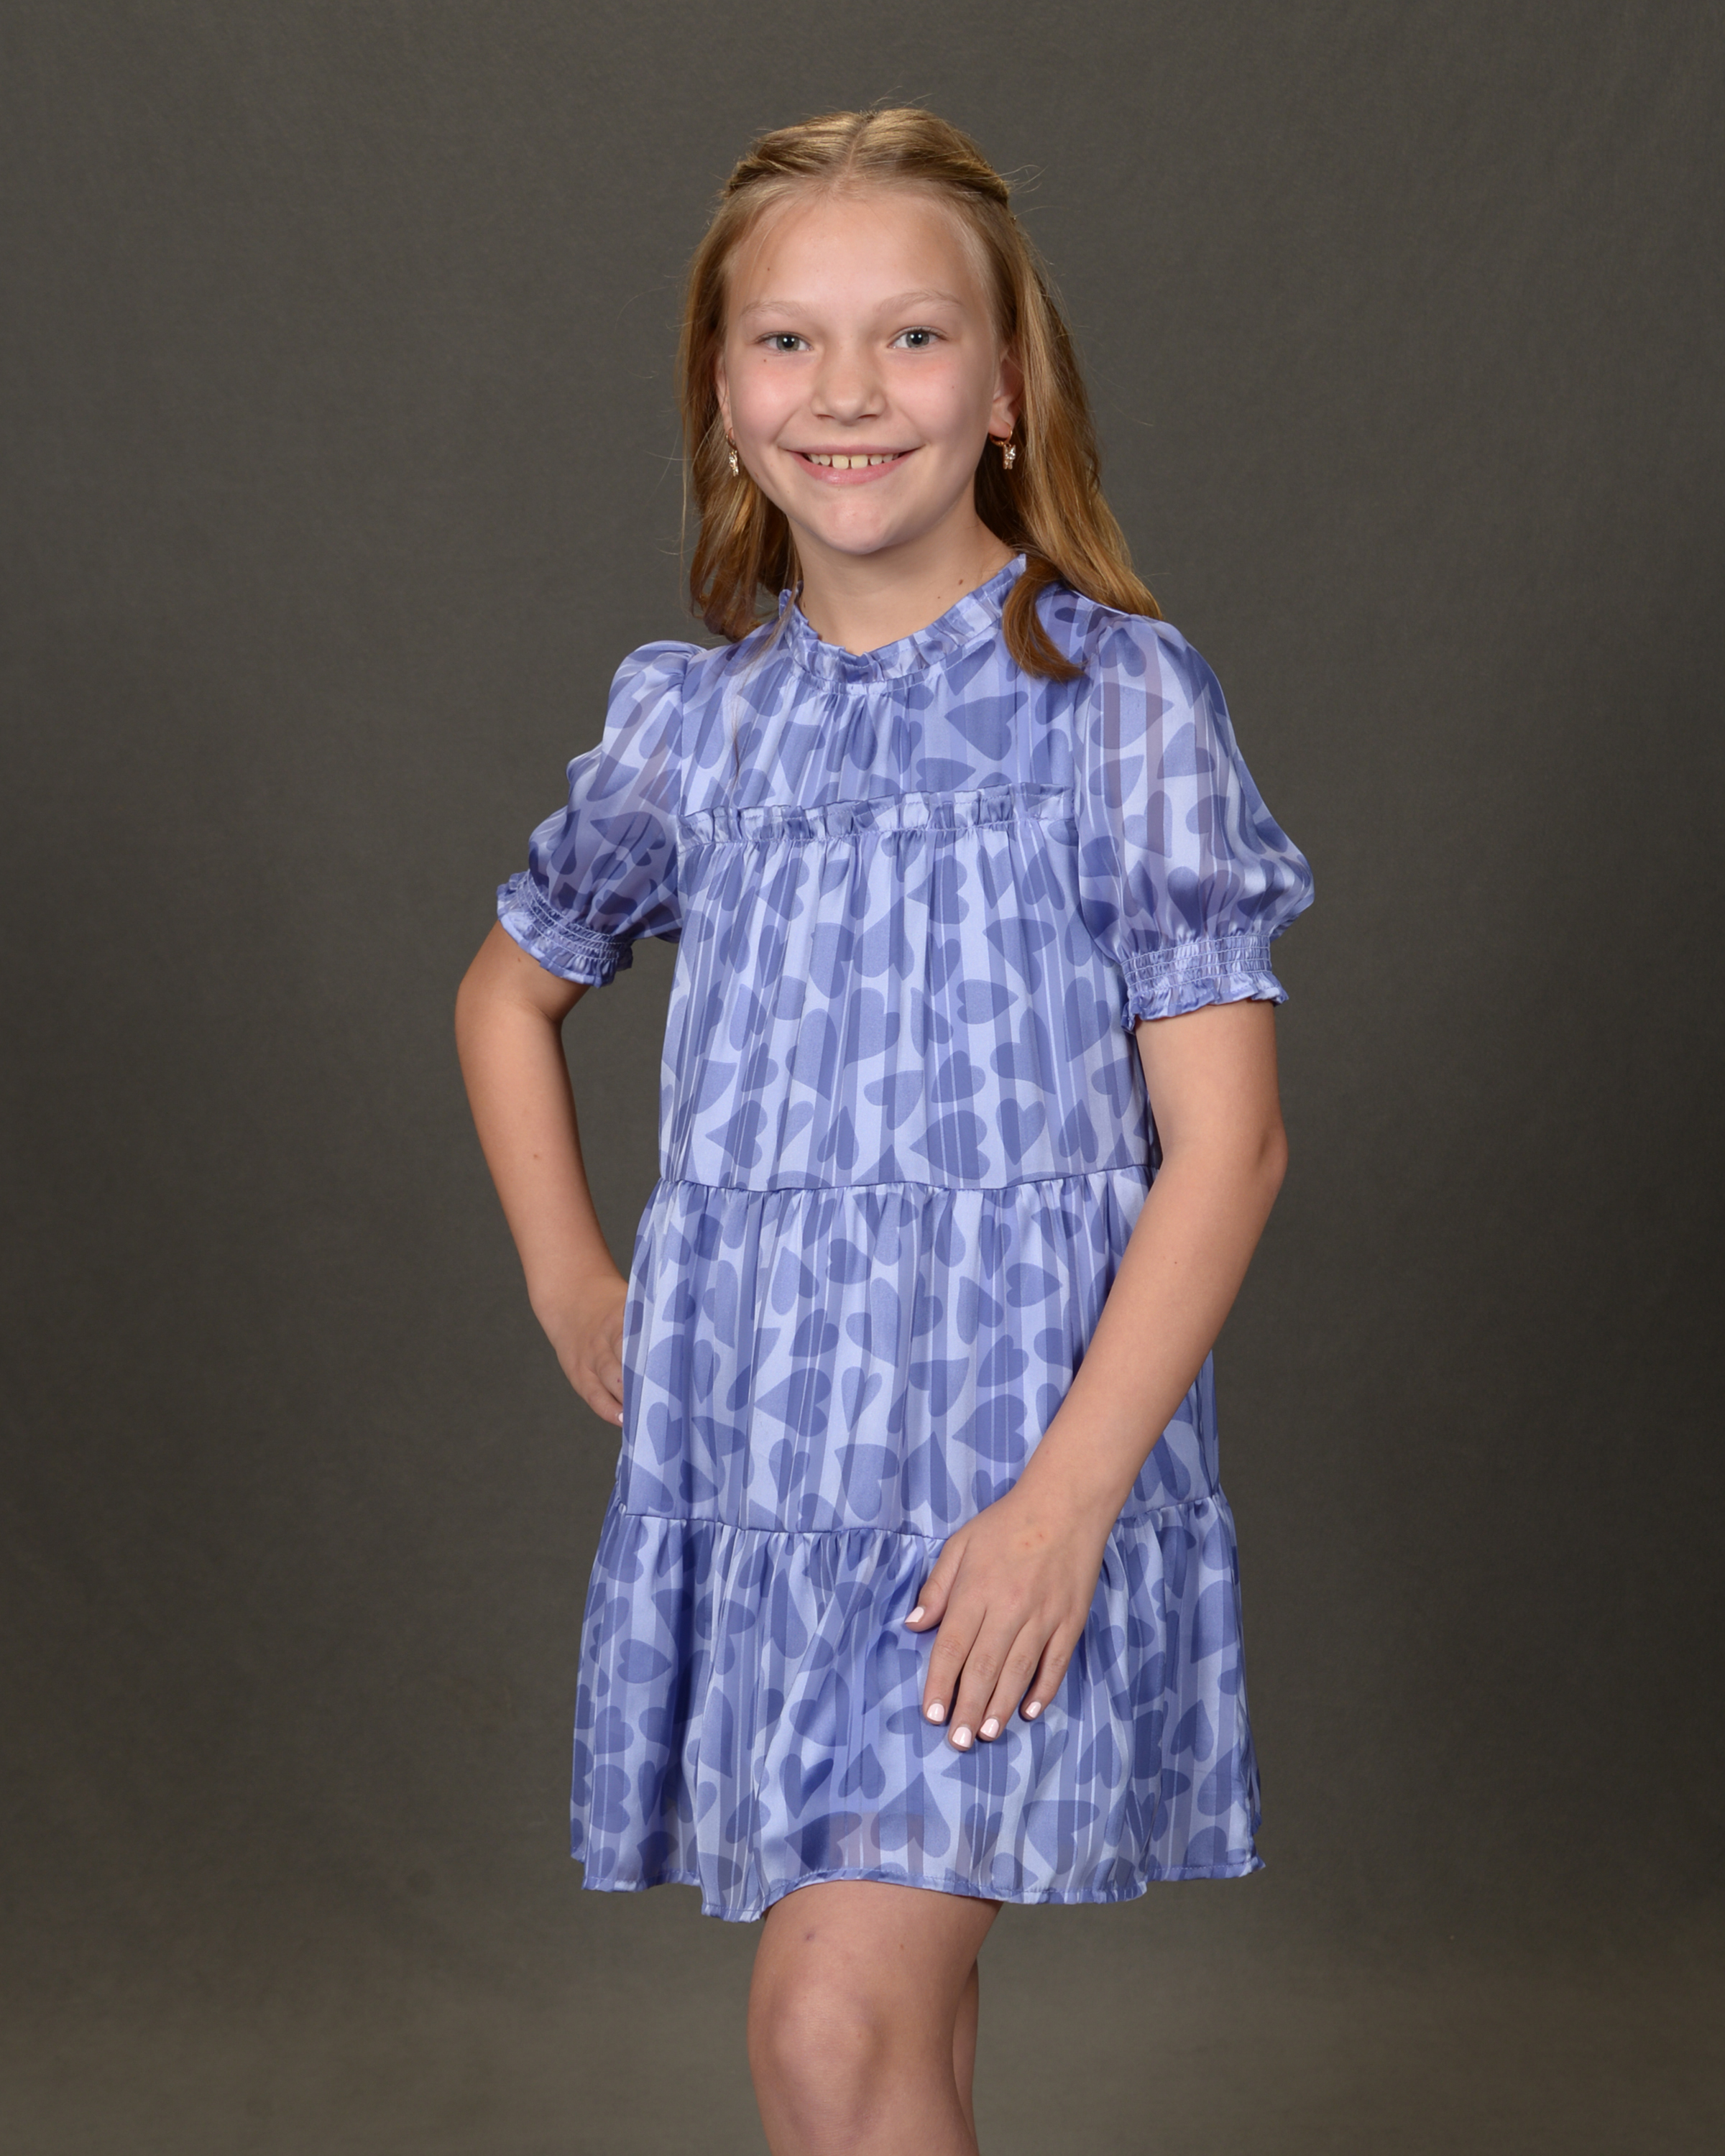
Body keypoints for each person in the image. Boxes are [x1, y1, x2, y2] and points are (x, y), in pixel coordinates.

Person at [456, 106, 1312, 2156]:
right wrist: (578, 1281)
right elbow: (507, 992)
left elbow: (1232, 1150)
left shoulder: (1117, 703)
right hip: (775, 1483)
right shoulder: (695, 724)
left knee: (833, 2035)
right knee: (881, 2055)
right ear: (723, 393)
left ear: (1009, 390)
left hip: (1012, 1491)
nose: (848, 392)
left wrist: (1065, 1507)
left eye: (914, 338)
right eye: (789, 342)